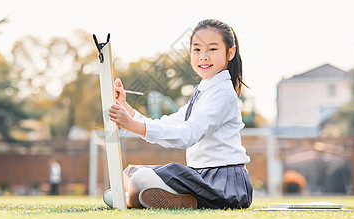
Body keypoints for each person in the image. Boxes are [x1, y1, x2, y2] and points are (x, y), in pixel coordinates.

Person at [105, 19, 253, 209]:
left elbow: (187, 135)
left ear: (230, 53)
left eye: (213, 49)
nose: (203, 56)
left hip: (224, 182)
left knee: (138, 179)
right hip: (200, 175)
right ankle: (144, 197)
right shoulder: (205, 90)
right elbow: (169, 123)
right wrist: (126, 108)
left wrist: (132, 126)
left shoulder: (222, 94)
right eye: (197, 49)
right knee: (130, 173)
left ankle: (135, 197)